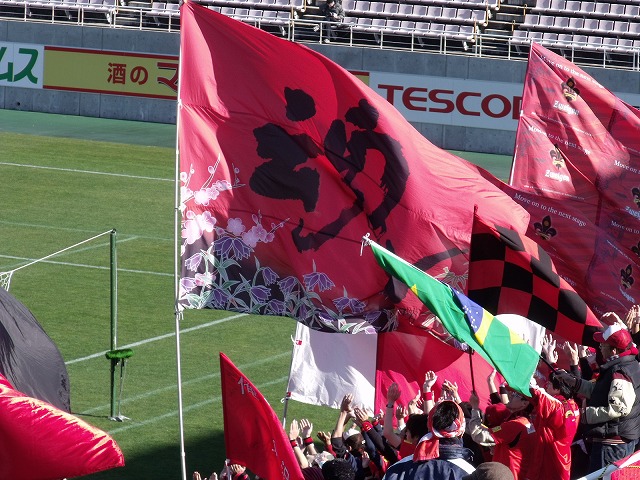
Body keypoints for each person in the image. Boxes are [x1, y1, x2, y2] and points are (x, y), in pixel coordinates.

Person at [556, 322, 640, 472]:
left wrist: (585, 415)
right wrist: (573, 381)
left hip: (612, 446)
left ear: (614, 350)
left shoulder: (620, 371)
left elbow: (618, 409)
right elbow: (601, 391)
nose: (600, 347)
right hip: (615, 441)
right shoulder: (626, 364)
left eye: (603, 345)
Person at [382, 400, 475, 480]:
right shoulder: (469, 473)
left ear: (429, 426)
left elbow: (388, 433)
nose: (405, 434)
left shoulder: (397, 470)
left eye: (408, 431)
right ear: (462, 430)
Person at [467, 389, 535, 480]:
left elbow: (479, 435)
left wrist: (475, 408)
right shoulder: (527, 422)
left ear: (525, 403)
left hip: (507, 475)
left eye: (516, 395)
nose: (511, 395)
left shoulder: (515, 425)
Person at [525, 373, 580, 480]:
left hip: (549, 458)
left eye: (549, 383)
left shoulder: (557, 405)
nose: (546, 385)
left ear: (558, 389)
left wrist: (528, 376)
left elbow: (537, 393)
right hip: (562, 455)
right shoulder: (573, 404)